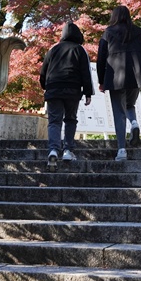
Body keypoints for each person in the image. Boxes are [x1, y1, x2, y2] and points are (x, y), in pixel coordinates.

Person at [97, 5, 141, 161]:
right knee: (130, 105)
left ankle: (122, 149)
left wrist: (101, 80)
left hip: (115, 77)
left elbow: (101, 58)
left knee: (119, 112)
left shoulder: (108, 33)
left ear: (114, 16)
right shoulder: (138, 31)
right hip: (137, 77)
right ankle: (135, 123)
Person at [39, 21, 94, 171]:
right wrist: (88, 93)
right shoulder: (79, 50)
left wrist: (45, 87)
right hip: (72, 90)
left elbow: (43, 71)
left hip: (54, 89)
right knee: (70, 119)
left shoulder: (53, 49)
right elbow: (85, 73)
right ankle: (68, 150)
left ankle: (53, 150)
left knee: (54, 121)